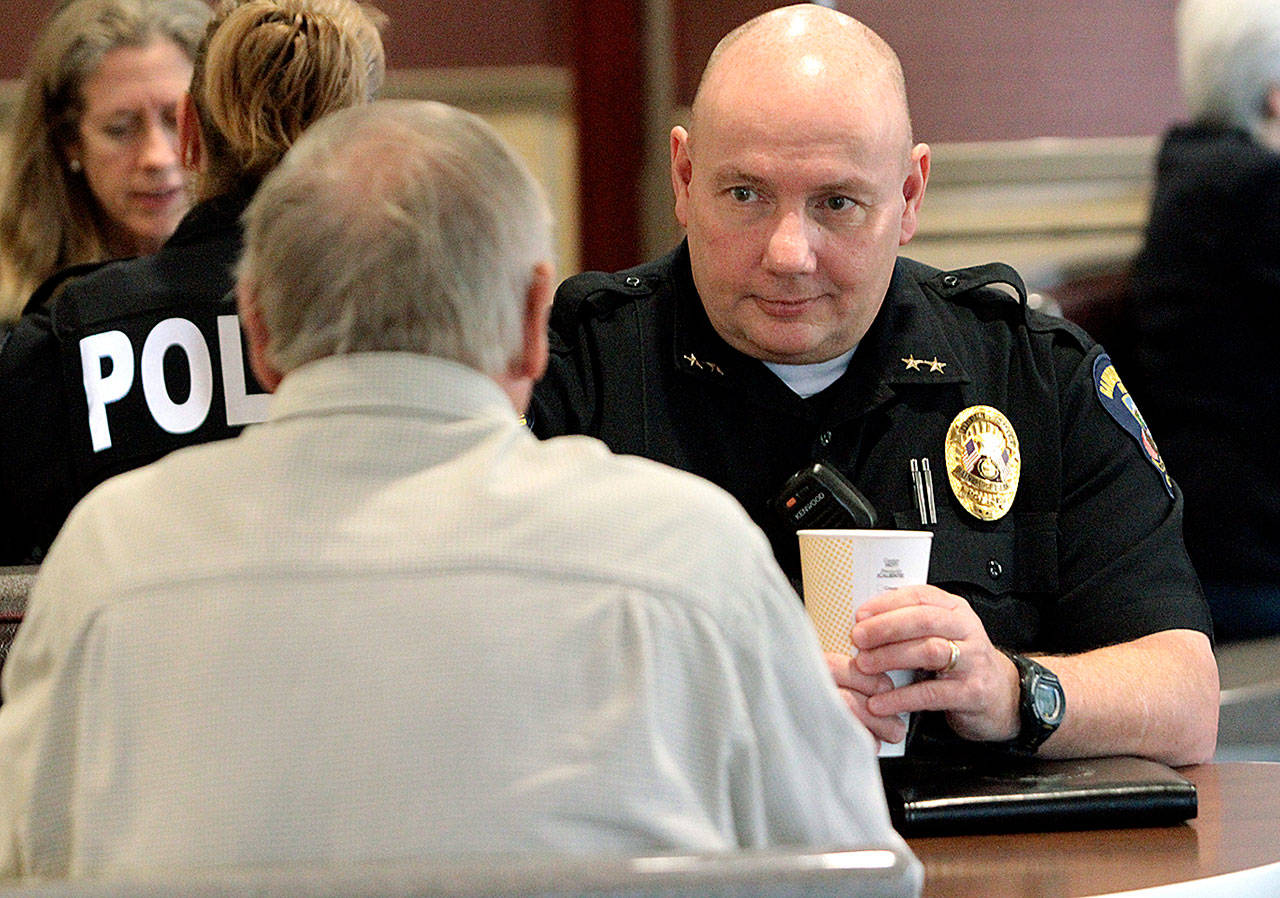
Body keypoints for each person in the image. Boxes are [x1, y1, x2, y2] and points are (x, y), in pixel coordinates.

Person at [0, 99, 912, 880]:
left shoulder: (110, 565)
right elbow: (853, 879)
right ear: (532, 321)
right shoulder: (690, 560)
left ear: (258, 331)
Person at [531, 4, 1219, 765]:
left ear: (910, 196)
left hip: (970, 836)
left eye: (837, 204)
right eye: (746, 195)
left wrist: (1009, 689)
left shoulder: (1031, 375)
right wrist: (725, 703)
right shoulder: (574, 375)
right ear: (685, 177)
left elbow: (1185, 699)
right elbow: (482, 676)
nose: (789, 254)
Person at [0, 0, 386, 564]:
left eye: (166, 120)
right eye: (119, 128)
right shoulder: (421, 314)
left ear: (191, 129)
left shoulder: (59, 341)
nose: (156, 158)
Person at [1123, 0, 1280, 642]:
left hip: (1208, 531)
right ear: (1275, 97)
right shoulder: (1255, 192)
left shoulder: (1198, 174)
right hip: (1247, 556)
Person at [0, 0, 211, 323]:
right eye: (120, 129)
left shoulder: (265, 281)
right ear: (68, 139)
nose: (157, 157)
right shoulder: (23, 316)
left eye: (180, 121)